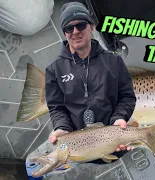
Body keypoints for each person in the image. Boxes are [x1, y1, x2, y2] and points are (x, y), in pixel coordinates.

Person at [45, 2, 137, 161]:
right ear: (65, 33)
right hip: (77, 149)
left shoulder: (114, 61)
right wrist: (62, 127)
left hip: (114, 141)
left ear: (91, 26)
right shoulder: (54, 70)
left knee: (118, 154)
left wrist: (119, 118)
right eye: (69, 28)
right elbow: (56, 108)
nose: (75, 32)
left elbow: (127, 97)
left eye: (80, 25)